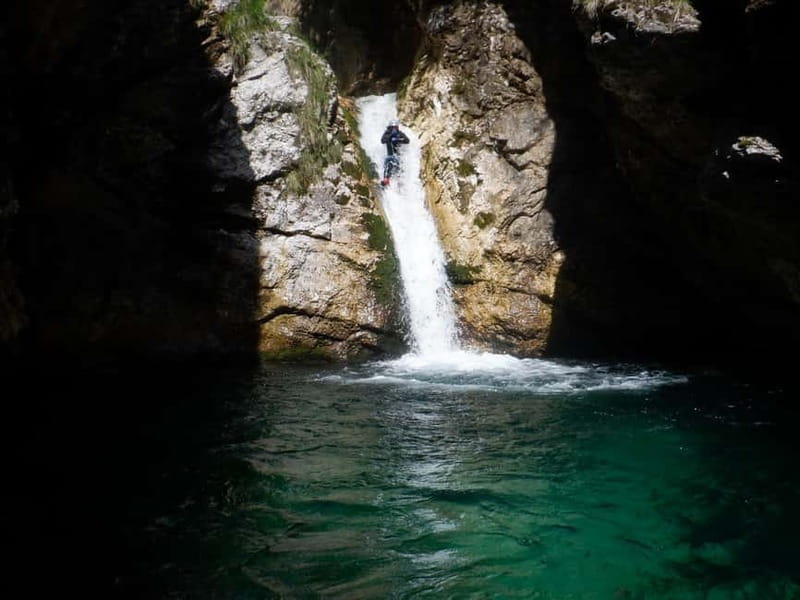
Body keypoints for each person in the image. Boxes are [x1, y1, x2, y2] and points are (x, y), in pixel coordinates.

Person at [380, 119, 409, 186]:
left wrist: (398, 140)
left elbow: (407, 140)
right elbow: (382, 140)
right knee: (389, 162)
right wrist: (390, 137)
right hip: (390, 156)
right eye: (393, 127)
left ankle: (400, 183)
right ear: (390, 128)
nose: (395, 129)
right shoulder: (387, 133)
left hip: (398, 157)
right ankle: (386, 179)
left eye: (396, 127)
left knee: (399, 167)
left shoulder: (399, 133)